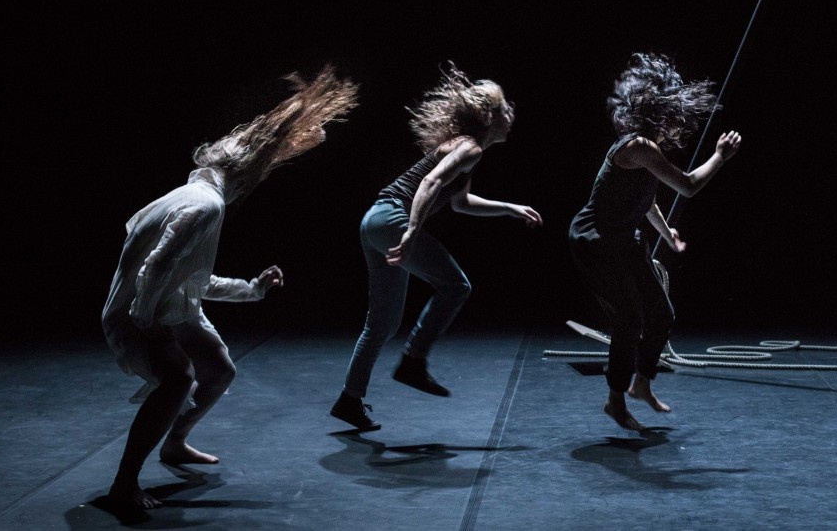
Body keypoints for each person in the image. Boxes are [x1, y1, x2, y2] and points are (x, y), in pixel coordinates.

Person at [101, 66, 358, 509]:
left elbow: (190, 280)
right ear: (247, 176)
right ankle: (124, 485)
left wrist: (251, 289)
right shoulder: (206, 206)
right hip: (141, 312)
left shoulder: (193, 195)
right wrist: (146, 322)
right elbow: (157, 264)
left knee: (219, 370)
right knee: (178, 379)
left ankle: (174, 444)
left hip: (166, 305)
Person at [329, 63, 542, 431]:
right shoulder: (469, 147)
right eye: (505, 107)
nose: (511, 112)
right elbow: (430, 182)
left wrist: (509, 207)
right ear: (489, 116)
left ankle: (349, 400)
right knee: (456, 285)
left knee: (382, 324)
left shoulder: (468, 150)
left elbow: (461, 202)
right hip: (392, 218)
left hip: (375, 222)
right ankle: (413, 360)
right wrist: (412, 229)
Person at [569, 52, 741, 432]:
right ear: (660, 114)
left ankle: (641, 384)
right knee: (629, 320)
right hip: (596, 240)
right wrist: (719, 156)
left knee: (662, 315)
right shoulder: (637, 147)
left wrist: (668, 234)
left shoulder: (648, 151)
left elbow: (647, 203)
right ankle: (615, 401)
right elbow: (688, 186)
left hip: (624, 241)